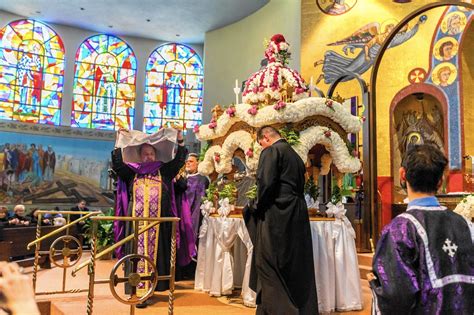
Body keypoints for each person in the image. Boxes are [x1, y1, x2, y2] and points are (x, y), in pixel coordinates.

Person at [369, 144, 474, 314]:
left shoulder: (399, 231)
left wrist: (376, 285)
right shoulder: (466, 225)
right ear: (440, 181)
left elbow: (395, 296)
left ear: (402, 175)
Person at [244, 126, 318, 314]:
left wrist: (254, 206)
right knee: (293, 263)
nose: (261, 147)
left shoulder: (271, 151)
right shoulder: (295, 155)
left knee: (269, 261)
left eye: (260, 143)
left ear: (266, 137)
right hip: (297, 211)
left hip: (277, 212)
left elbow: (266, 184)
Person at [111, 128, 187, 308]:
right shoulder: (132, 172)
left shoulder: (164, 171)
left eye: (151, 153)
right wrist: (118, 142)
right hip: (136, 226)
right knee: (135, 257)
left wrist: (181, 141)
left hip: (158, 226)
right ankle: (137, 291)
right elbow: (117, 164)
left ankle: (152, 289)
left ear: (156, 154)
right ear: (139, 156)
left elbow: (179, 161)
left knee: (157, 257)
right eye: (145, 154)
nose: (148, 157)